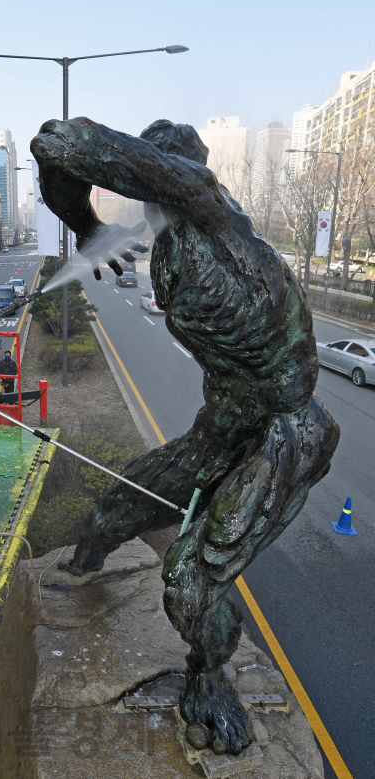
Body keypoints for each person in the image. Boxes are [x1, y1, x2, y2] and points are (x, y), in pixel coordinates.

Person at [31, 115, 339, 756]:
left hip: (285, 431)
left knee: (190, 582)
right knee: (108, 513)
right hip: (223, 422)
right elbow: (52, 150)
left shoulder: (206, 205)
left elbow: (65, 142)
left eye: (161, 170)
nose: (154, 186)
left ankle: (209, 681)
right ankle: (87, 564)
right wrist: (87, 227)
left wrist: (100, 203)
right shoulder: (169, 240)